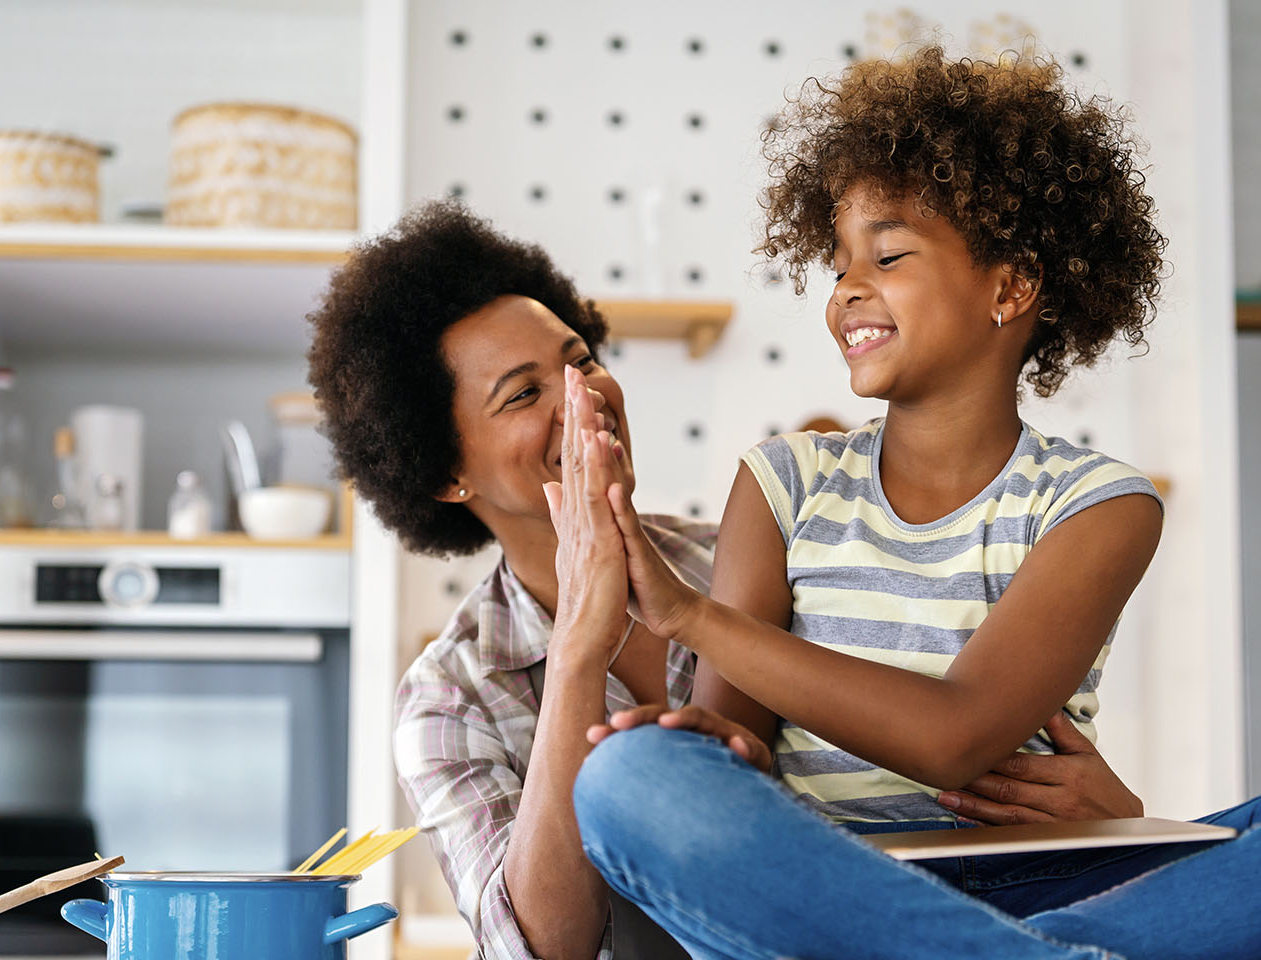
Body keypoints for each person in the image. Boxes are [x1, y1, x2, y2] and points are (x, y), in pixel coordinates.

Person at [304, 200, 1146, 960]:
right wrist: (579, 649)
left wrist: (1122, 823)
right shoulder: (448, 699)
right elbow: (545, 951)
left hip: (939, 909)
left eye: (580, 360)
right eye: (525, 394)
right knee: (628, 771)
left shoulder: (757, 546)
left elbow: (957, 735)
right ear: (447, 473)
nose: (582, 399)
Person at [564, 47, 1260, 959]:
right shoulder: (783, 481)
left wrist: (687, 613)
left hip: (1041, 873)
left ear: (1011, 288)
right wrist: (712, 748)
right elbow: (739, 736)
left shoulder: (1099, 505)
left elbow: (955, 736)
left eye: (888, 255)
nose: (848, 289)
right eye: (840, 263)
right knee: (624, 776)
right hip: (830, 882)